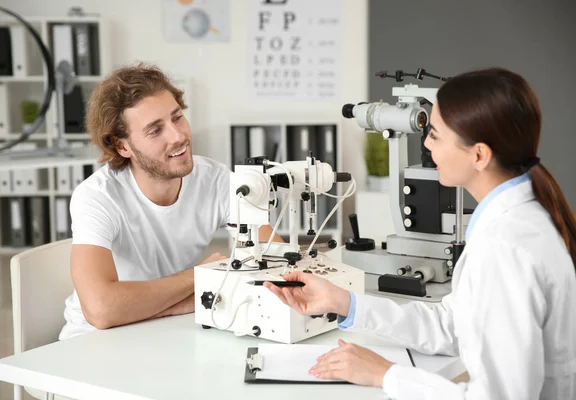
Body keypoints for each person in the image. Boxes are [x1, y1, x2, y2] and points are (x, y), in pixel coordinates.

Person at [265, 68, 576, 399]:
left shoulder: (505, 247)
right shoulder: (514, 223)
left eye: (436, 135)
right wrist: (345, 303)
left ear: (479, 155)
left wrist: (386, 375)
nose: (426, 144)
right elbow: (451, 325)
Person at [59, 63, 276, 340]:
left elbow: (274, 259)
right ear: (122, 146)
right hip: (92, 341)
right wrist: (199, 277)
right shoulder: (98, 197)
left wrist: (169, 306)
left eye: (177, 118)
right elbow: (101, 310)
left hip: (167, 331)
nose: (178, 136)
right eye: (155, 130)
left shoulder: (217, 180)